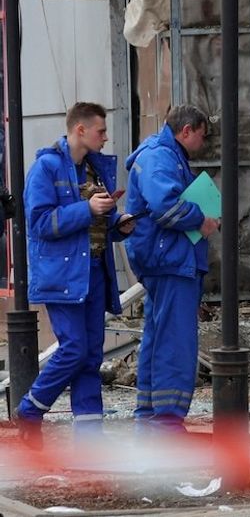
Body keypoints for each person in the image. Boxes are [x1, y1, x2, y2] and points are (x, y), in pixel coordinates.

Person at [15, 103, 136, 446]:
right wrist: (87, 208)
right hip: (63, 276)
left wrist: (119, 224)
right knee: (74, 349)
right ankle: (30, 409)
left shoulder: (95, 169)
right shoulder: (45, 168)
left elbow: (98, 221)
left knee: (91, 354)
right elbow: (39, 223)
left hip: (94, 271)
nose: (106, 137)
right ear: (80, 130)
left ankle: (90, 437)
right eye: (101, 130)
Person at [125, 105, 219, 431]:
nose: (203, 144)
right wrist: (201, 220)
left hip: (166, 259)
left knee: (159, 336)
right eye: (202, 136)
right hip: (171, 260)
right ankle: (166, 420)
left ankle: (151, 416)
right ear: (186, 131)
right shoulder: (160, 157)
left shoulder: (165, 156)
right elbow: (166, 206)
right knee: (175, 341)